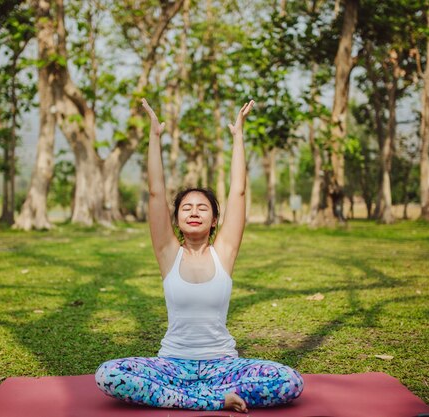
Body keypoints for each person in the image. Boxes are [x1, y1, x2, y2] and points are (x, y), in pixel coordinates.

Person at [95, 98, 304, 412]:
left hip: (223, 367)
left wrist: (238, 137)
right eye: (186, 208)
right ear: (177, 217)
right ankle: (211, 402)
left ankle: (189, 400)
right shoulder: (168, 253)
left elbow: (239, 192)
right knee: (109, 375)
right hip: (172, 367)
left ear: (214, 219)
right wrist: (154, 135)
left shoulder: (225, 253)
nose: (194, 212)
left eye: (202, 208)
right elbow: (155, 191)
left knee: (290, 381)